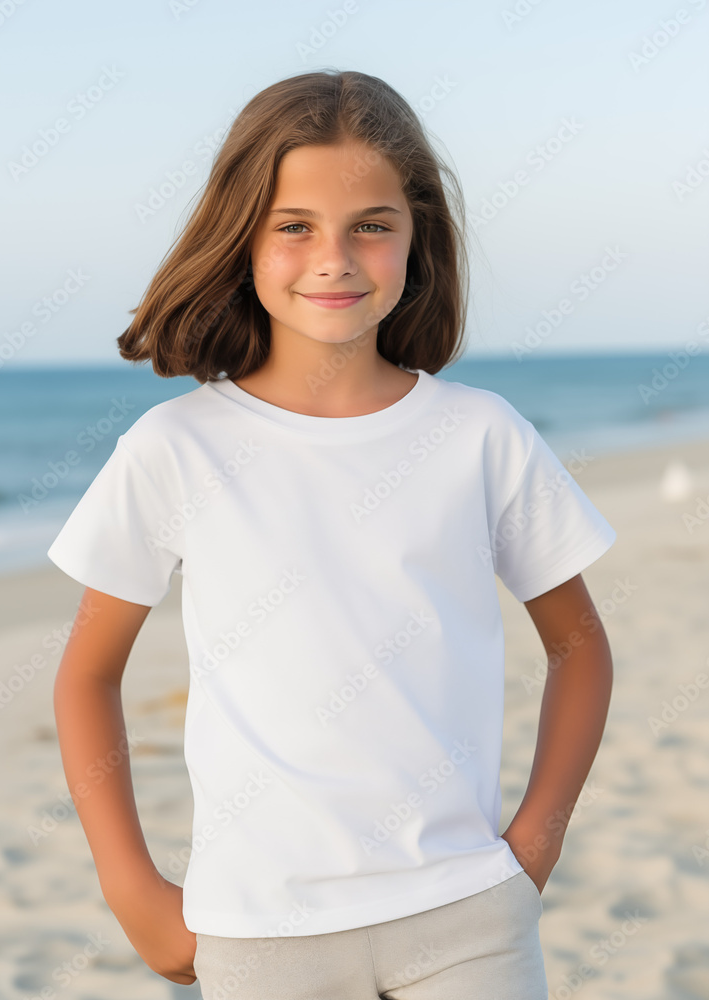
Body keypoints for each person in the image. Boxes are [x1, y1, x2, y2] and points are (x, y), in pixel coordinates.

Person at [47, 69, 616, 999]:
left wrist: (533, 846)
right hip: (261, 935)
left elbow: (581, 648)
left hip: (468, 918)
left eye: (372, 225)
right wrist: (130, 888)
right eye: (294, 225)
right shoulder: (175, 448)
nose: (334, 259)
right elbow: (85, 673)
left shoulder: (481, 435)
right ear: (242, 236)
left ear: (415, 235)